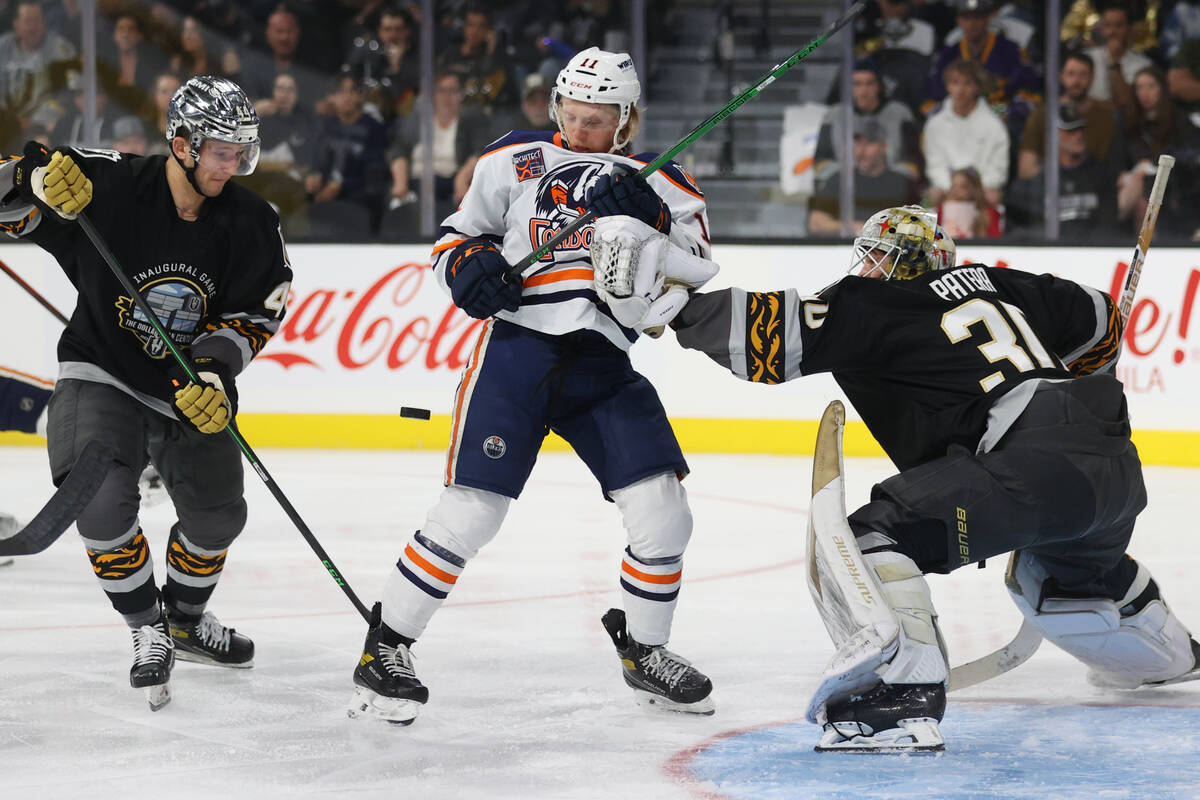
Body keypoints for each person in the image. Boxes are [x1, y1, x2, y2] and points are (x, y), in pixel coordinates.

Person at [668, 204, 1200, 751]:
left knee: (870, 537)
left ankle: (903, 695)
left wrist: (676, 307)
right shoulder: (1005, 284)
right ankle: (1171, 656)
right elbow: (1104, 317)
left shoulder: (876, 303)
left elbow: (765, 339)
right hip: (1113, 468)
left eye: (878, 257)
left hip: (1027, 468)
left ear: (906, 263)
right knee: (1065, 582)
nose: (866, 269)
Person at [347, 46, 718, 726]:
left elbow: (699, 268)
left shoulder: (666, 183)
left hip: (603, 362)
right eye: (572, 117)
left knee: (665, 512)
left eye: (597, 121)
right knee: (472, 511)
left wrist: (647, 215)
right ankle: (387, 648)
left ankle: (646, 651)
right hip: (517, 350)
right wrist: (471, 267)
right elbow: (457, 238)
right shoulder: (513, 159)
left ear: (627, 121)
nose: (581, 131)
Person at [0, 75, 294, 711]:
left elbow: (257, 313)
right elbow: (12, 205)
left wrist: (214, 370)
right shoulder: (108, 185)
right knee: (99, 503)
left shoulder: (251, 221)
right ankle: (147, 630)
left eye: (243, 151)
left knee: (219, 516)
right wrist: (29, 180)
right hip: (101, 369)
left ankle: (186, 621)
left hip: (190, 386)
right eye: (222, 150)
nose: (236, 164)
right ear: (183, 145)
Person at [1018, 50, 1124, 180]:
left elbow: (1115, 172)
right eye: (1071, 74)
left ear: (1092, 78)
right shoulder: (1041, 116)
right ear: (1061, 76)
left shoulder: (1107, 120)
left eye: (1083, 75)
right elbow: (1026, 170)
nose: (1076, 81)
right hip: (1051, 188)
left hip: (1095, 189)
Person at [808, 116, 919, 235]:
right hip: (846, 248)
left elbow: (918, 227)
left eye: (868, 144)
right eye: (858, 143)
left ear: (883, 147)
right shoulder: (839, 180)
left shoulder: (902, 183)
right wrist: (849, 227)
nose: (861, 150)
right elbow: (815, 223)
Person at [921, 58, 1009, 207]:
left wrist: (972, 190)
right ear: (948, 86)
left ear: (977, 87)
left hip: (981, 191)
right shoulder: (935, 124)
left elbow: (998, 170)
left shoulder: (994, 125)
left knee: (994, 196)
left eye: (967, 83)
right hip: (947, 190)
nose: (960, 89)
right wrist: (954, 188)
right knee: (932, 195)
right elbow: (935, 166)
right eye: (955, 82)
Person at [1084, 2, 1152, 116]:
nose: (1112, 32)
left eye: (1118, 25)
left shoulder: (1143, 65)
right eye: (1107, 25)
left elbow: (1126, 105)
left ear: (1129, 29)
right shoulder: (1088, 58)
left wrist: (1114, 62)